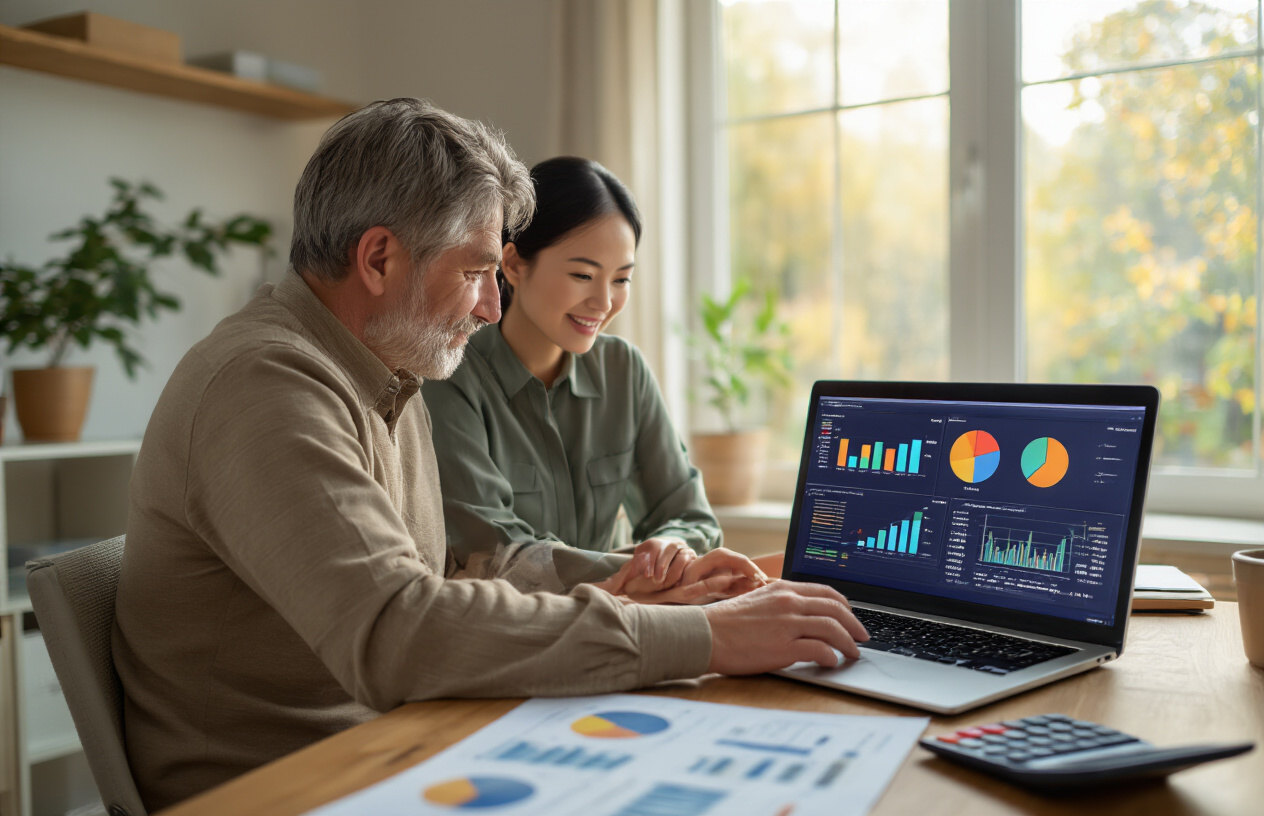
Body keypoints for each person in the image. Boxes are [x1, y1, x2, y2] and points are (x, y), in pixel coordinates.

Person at [111, 98, 868, 811]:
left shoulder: (386, 375)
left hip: (395, 746)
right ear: (379, 258)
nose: (490, 306)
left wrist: (632, 589)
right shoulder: (267, 385)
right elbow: (397, 630)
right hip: (288, 785)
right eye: (475, 272)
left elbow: (449, 579)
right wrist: (707, 637)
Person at [423, 156, 761, 599]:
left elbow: (691, 517)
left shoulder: (624, 371)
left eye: (621, 280)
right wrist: (639, 570)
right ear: (514, 264)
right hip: (510, 628)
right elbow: (491, 549)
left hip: (625, 619)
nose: (603, 302)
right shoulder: (451, 375)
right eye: (583, 275)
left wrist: (671, 548)